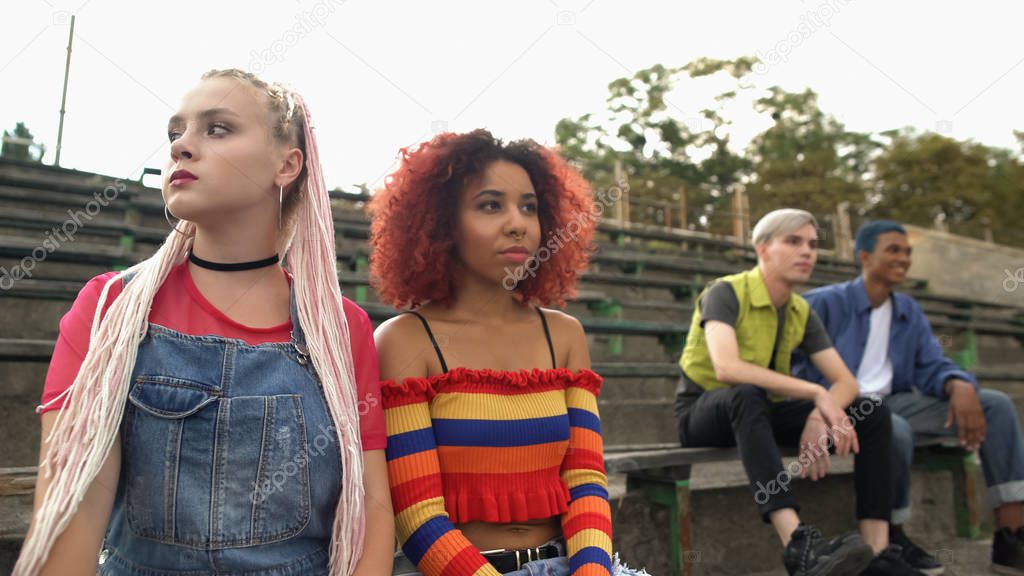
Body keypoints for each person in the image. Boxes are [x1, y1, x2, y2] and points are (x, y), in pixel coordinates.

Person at [15, 69, 393, 576]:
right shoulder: (110, 309)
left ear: (289, 164)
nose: (181, 148)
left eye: (217, 128)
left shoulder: (341, 328)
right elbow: (72, 513)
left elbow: (369, 507)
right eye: (176, 132)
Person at [369, 129, 644, 575]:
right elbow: (417, 514)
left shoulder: (564, 335)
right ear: (441, 224)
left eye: (529, 207)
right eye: (490, 205)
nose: (517, 222)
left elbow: (586, 482)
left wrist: (592, 571)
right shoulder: (405, 340)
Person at [674, 209, 920, 575]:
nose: (807, 251)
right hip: (704, 412)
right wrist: (815, 394)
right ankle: (798, 547)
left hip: (760, 412)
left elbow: (847, 383)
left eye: (812, 244)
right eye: (793, 242)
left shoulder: (800, 310)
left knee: (872, 411)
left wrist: (819, 414)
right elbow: (727, 367)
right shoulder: (725, 292)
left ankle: (878, 550)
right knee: (747, 392)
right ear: (763, 249)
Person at [794, 220, 1024, 575]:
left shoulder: (908, 311)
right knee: (892, 427)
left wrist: (957, 384)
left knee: (996, 405)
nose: (903, 259)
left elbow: (930, 366)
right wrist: (819, 401)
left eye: (907, 252)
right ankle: (894, 536)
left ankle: (1011, 538)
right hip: (838, 407)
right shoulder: (822, 303)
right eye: (893, 250)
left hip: (894, 401)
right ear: (865, 256)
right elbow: (790, 363)